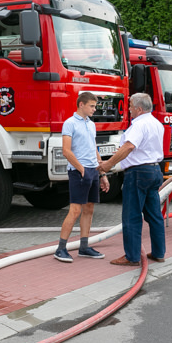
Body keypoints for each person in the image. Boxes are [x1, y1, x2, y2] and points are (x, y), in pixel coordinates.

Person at [99, 93, 165, 266]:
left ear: (139, 108)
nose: (128, 109)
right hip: (154, 170)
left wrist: (109, 164)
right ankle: (159, 252)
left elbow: (129, 146)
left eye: (130, 106)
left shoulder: (138, 125)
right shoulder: (157, 124)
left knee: (132, 216)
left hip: (138, 173)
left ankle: (132, 256)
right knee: (155, 214)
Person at [54, 92, 109, 262]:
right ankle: (60, 248)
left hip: (93, 170)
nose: (94, 109)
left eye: (95, 106)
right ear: (81, 105)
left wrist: (102, 174)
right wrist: (82, 170)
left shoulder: (91, 124)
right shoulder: (69, 124)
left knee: (89, 209)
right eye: (92, 106)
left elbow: (94, 148)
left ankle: (84, 247)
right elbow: (66, 150)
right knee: (75, 210)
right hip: (79, 172)